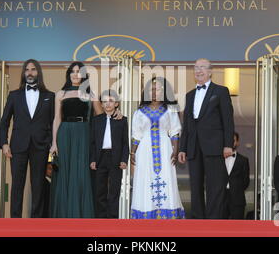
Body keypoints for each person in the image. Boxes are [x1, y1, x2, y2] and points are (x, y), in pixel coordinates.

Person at [179, 58, 235, 219]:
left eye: (202, 67)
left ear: (210, 71)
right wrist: (183, 148)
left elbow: (228, 121)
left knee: (215, 186)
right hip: (194, 147)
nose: (199, 70)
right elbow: (187, 123)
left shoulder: (221, 91)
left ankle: (213, 222)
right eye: (196, 67)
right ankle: (197, 220)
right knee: (195, 186)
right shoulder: (189, 95)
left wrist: (228, 145)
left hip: (215, 146)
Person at [0, 59, 55, 218]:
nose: (30, 72)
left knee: (38, 185)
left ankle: (36, 221)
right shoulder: (14, 95)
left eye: (33, 69)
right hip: (18, 145)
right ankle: (15, 222)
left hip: (41, 146)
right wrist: (4, 143)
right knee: (17, 184)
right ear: (24, 73)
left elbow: (53, 123)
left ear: (38, 73)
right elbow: (4, 122)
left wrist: (51, 143)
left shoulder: (49, 96)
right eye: (27, 70)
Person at [48, 61, 103, 218]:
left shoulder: (90, 94)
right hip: (64, 134)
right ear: (69, 74)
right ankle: (63, 215)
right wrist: (54, 143)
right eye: (72, 71)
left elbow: (100, 118)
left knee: (81, 173)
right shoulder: (61, 94)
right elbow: (57, 118)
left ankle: (81, 215)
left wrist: (116, 116)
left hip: (83, 134)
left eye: (79, 71)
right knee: (65, 172)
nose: (75, 74)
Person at [130, 77, 185, 219]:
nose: (155, 92)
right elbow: (136, 134)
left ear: (164, 91)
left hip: (166, 149)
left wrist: (175, 150)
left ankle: (169, 216)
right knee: (145, 180)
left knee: (167, 179)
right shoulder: (139, 112)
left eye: (158, 89)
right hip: (145, 151)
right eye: (152, 89)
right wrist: (133, 152)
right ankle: (145, 215)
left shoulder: (170, 110)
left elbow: (174, 131)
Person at [90, 90, 129, 218]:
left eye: (111, 101)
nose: (108, 104)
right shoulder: (96, 120)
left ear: (116, 103)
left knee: (114, 189)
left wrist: (124, 159)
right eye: (105, 101)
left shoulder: (122, 120)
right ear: (101, 104)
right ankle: (101, 218)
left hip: (115, 158)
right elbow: (93, 142)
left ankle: (112, 218)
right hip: (100, 157)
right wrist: (93, 159)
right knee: (100, 189)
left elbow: (125, 142)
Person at [224, 132, 250, 219]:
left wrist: (236, 189)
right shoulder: (218, 159)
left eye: (233, 140)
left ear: (237, 142)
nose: (230, 142)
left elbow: (246, 181)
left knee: (238, 226)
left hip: (237, 199)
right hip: (220, 199)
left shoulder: (243, 160)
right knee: (219, 227)